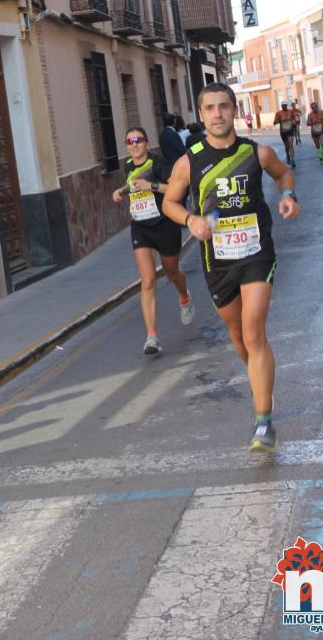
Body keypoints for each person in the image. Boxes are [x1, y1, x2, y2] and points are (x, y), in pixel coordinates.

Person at [163, 83, 300, 452]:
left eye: (224, 106)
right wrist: (190, 220)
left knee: (254, 332)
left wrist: (287, 195)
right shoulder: (188, 161)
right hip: (217, 260)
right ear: (202, 114)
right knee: (238, 334)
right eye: (210, 108)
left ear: (234, 109)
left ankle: (263, 422)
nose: (218, 113)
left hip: (256, 253)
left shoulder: (257, 152)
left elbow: (283, 174)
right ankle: (260, 376)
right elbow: (170, 203)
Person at [112, 126, 195, 355]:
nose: (134, 144)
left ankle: (184, 297)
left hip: (165, 226)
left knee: (172, 273)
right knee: (147, 280)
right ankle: (152, 337)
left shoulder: (158, 163)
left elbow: (177, 188)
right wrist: (120, 191)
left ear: (147, 143)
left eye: (138, 140)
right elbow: (133, 185)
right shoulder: (128, 165)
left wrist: (152, 186)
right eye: (130, 141)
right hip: (141, 228)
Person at [273, 101, 296, 168]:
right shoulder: (278, 113)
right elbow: (274, 122)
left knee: (291, 145)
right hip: (283, 132)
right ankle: (288, 155)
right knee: (287, 146)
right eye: (283, 105)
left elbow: (294, 119)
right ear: (281, 106)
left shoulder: (290, 112)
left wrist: (293, 122)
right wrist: (280, 120)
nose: (284, 106)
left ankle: (292, 160)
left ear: (286, 105)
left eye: (285, 105)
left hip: (290, 130)